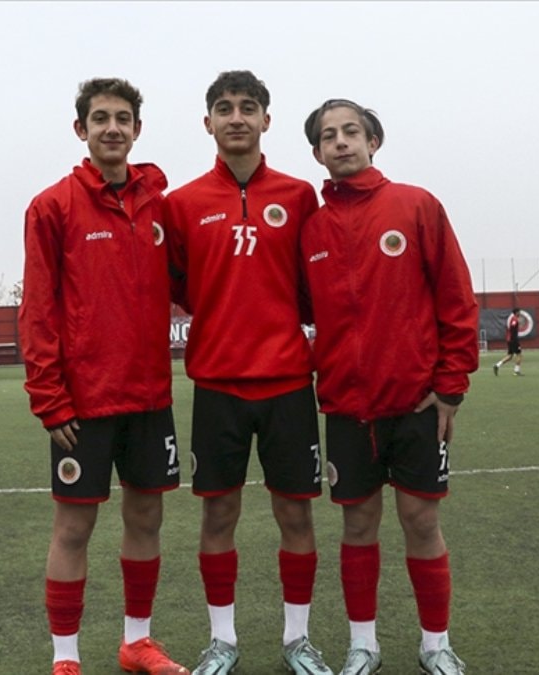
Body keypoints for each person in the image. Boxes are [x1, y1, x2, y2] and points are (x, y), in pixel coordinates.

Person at [301, 98, 478, 675]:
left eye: (351, 131)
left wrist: (450, 386)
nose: (341, 142)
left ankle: (436, 645)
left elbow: (456, 297)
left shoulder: (416, 205)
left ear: (373, 141)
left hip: (416, 403)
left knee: (422, 522)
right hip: (346, 407)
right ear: (317, 153)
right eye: (329, 136)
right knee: (357, 526)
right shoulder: (311, 229)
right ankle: (363, 644)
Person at [161, 70, 330, 675]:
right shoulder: (181, 204)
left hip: (288, 383)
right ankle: (222, 642)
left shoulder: (298, 195)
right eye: (225, 108)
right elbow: (180, 286)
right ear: (207, 121)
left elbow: (311, 287)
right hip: (217, 385)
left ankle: (297, 641)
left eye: (248, 107)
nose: (237, 117)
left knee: (296, 515)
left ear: (266, 120)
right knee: (217, 515)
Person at [19, 77, 187, 675]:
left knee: (146, 519)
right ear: (81, 129)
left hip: (149, 398)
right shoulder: (52, 206)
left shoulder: (161, 206)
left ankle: (136, 642)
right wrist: (49, 397)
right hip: (82, 404)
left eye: (122, 118)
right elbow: (37, 309)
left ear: (137, 129)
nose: (112, 128)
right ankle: (66, 658)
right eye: (100, 119)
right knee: (74, 526)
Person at [493, 308, 522, 376]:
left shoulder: (512, 318)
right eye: (519, 312)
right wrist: (515, 340)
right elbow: (512, 328)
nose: (520, 313)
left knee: (510, 356)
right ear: (516, 312)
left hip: (510, 340)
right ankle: (516, 371)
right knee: (519, 355)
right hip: (513, 340)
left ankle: (497, 365)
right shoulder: (514, 319)